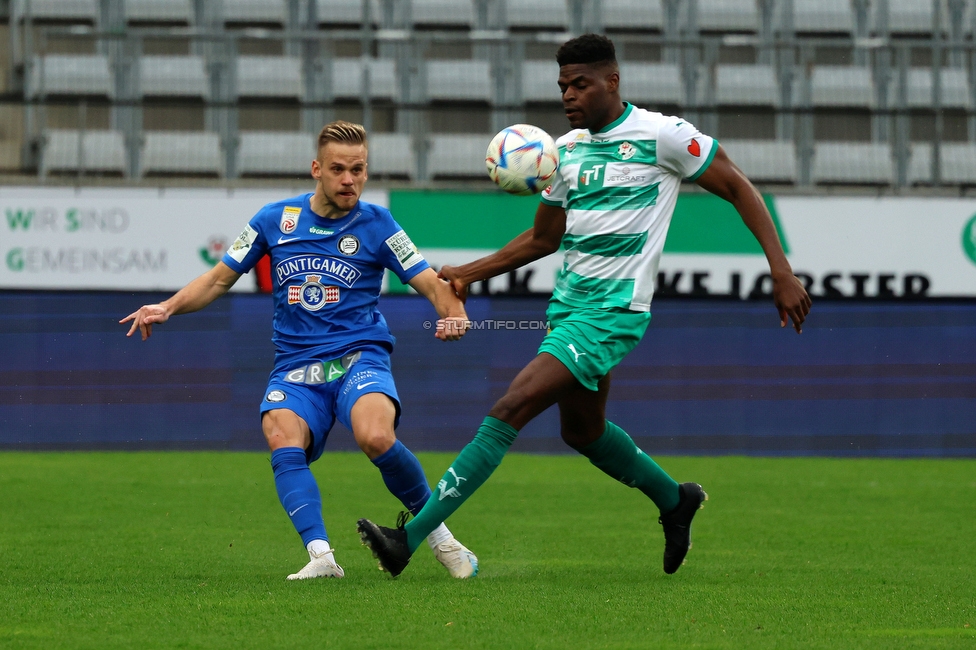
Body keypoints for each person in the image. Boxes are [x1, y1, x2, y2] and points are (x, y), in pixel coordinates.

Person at [357, 34, 812, 577]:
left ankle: (409, 539)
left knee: (510, 407)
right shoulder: (563, 153)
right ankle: (676, 500)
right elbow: (542, 239)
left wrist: (780, 270)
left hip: (613, 314)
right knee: (583, 432)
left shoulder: (662, 136)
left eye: (580, 84)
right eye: (562, 86)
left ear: (612, 81)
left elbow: (738, 186)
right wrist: (467, 272)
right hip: (569, 311)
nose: (569, 95)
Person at [121, 120, 478, 580]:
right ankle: (321, 557)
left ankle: (442, 539)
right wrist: (166, 307)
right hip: (296, 366)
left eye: (358, 169)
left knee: (375, 437)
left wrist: (453, 313)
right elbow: (217, 279)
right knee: (280, 437)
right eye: (338, 169)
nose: (349, 179)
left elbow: (431, 283)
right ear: (316, 169)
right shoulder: (274, 220)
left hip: (358, 358)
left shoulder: (379, 224)